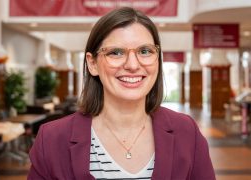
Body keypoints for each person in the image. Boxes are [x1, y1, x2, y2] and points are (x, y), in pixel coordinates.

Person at [28, 7, 215, 180]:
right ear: (92, 63)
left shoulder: (187, 133)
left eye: (145, 51)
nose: (133, 65)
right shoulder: (51, 139)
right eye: (116, 52)